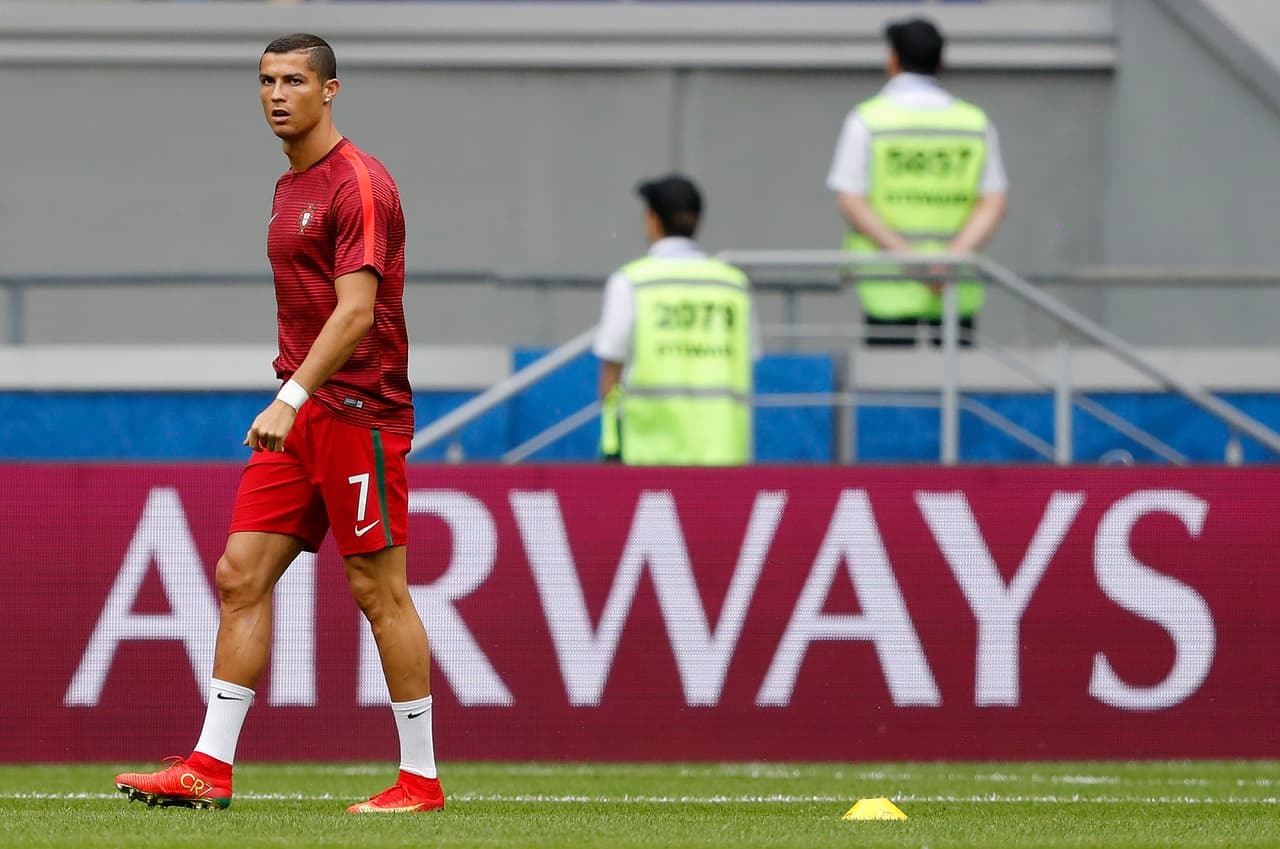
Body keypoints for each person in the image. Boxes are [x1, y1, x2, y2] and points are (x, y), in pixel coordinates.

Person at [113, 33, 443, 814]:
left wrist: (289, 397)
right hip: (301, 412)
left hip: (358, 412)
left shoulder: (359, 184)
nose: (277, 94)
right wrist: (294, 401)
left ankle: (420, 780)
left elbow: (356, 313)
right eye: (266, 80)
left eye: (294, 80)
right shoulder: (289, 185)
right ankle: (208, 766)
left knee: (378, 589)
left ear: (330, 90)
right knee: (240, 574)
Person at [827, 16, 1008, 346]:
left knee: (889, 377)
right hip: (954, 283)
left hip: (888, 284)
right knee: (959, 377)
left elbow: (850, 201)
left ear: (893, 60)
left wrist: (912, 260)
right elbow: (993, 202)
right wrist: (949, 261)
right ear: (941, 62)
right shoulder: (974, 123)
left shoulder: (868, 120)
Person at [594, 174, 759, 465]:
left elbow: (612, 376)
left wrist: (611, 441)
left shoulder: (632, 282)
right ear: (698, 220)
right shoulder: (733, 285)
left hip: (650, 458)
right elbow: (749, 360)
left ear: (652, 219)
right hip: (724, 457)